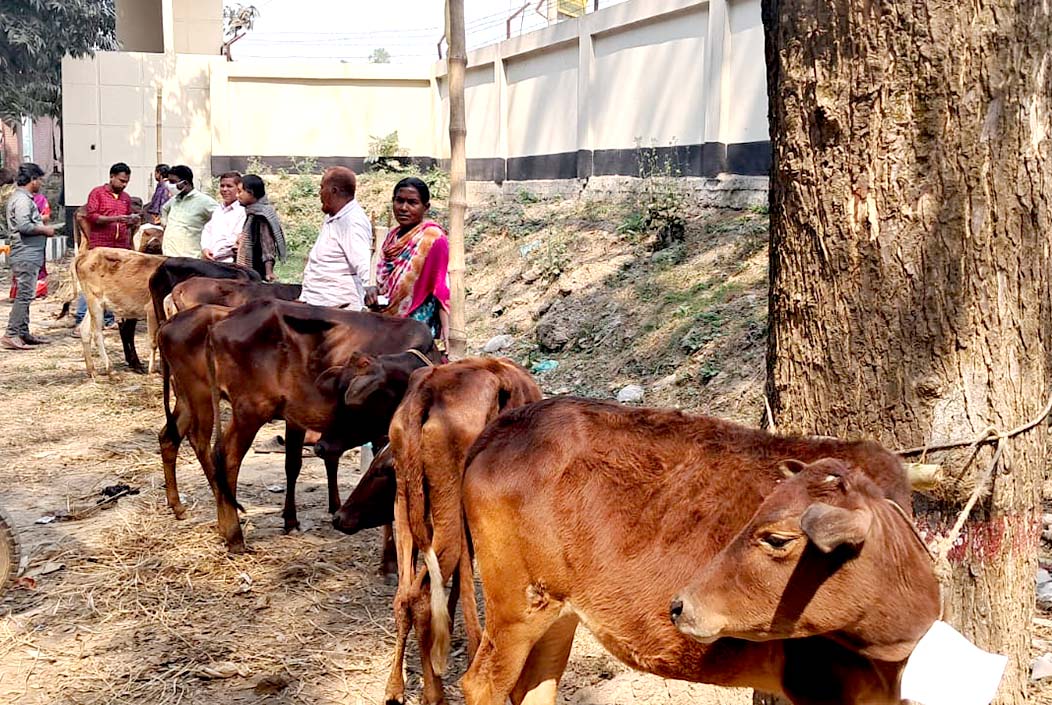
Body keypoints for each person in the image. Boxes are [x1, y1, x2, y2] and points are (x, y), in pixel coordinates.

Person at [365, 176, 450, 350]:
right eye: (399, 201)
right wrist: (373, 292)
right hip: (386, 322)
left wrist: (448, 333)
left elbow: (440, 287)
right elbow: (385, 284)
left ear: (426, 207)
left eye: (412, 202)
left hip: (416, 328)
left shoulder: (433, 239)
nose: (404, 208)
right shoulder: (392, 237)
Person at [73, 163, 138, 334]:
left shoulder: (126, 198)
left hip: (119, 247)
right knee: (92, 283)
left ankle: (108, 319)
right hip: (100, 246)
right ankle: (82, 319)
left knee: (114, 284)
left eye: (127, 182)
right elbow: (92, 217)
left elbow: (126, 219)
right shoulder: (97, 193)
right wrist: (117, 218)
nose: (124, 185)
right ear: (112, 177)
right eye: (122, 180)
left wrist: (130, 221)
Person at [298, 167, 372, 308]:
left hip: (337, 309)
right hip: (317, 301)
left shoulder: (352, 221)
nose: (319, 193)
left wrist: (371, 288)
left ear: (334, 191)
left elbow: (363, 263)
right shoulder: (333, 216)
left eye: (322, 187)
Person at [2, 163, 57, 350]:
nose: (40, 183)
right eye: (39, 179)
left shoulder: (24, 199)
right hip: (25, 254)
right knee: (24, 296)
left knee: (27, 295)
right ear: (32, 180)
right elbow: (24, 227)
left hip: (29, 254)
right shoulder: (23, 200)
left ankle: (23, 332)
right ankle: (11, 334)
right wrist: (45, 229)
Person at [236, 174, 286, 280]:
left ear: (251, 193)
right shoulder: (252, 213)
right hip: (249, 269)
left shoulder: (261, 216)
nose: (237, 195)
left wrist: (268, 272)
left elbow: (268, 245)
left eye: (240, 191)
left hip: (256, 270)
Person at [161, 165, 217, 258]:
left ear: (185, 183)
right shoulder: (175, 199)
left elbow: (222, 219)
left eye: (173, 182)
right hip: (168, 256)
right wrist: (165, 223)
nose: (169, 185)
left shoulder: (204, 201)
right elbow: (164, 209)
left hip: (191, 259)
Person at [200, 172, 246, 263]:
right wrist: (205, 248)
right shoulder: (218, 210)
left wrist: (215, 254)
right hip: (211, 260)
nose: (224, 189)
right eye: (222, 186)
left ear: (238, 188)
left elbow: (235, 240)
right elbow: (207, 230)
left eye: (229, 186)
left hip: (230, 262)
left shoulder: (242, 211)